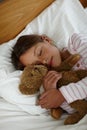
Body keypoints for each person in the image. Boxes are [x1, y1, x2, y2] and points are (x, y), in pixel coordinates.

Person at [11, 33, 87, 113]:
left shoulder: (76, 42)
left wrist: (62, 95)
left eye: (40, 52)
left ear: (46, 40)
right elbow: (76, 110)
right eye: (38, 65)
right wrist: (51, 90)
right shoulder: (56, 81)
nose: (44, 61)